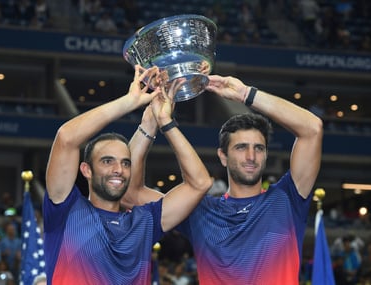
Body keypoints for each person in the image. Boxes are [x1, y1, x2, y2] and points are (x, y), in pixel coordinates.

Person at [127, 74, 323, 284]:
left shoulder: (287, 199)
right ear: (223, 156)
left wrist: (246, 94)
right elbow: (131, 194)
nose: (251, 157)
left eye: (258, 148)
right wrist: (149, 123)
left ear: (265, 155)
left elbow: (312, 129)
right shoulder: (199, 212)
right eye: (241, 148)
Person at [43, 65, 212, 285]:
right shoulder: (65, 211)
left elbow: (200, 184)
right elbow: (66, 138)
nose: (118, 170)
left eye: (125, 163)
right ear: (86, 170)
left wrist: (163, 123)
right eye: (107, 161)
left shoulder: (144, 221)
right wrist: (129, 102)